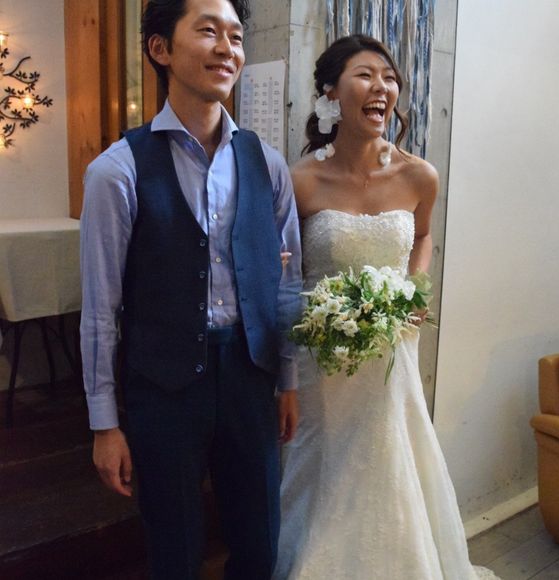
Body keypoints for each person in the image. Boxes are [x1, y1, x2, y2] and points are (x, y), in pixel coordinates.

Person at [79, 0, 302, 578]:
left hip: (250, 374)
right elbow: (100, 308)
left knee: (260, 544)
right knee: (174, 550)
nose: (227, 48)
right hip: (163, 386)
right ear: (160, 49)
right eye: (207, 31)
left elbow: (286, 280)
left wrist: (288, 379)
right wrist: (104, 423)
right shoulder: (117, 170)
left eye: (236, 35)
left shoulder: (268, 163)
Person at [274, 35, 500, 580]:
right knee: (323, 471)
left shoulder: (419, 175)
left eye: (390, 77)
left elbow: (422, 236)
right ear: (330, 92)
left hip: (390, 348)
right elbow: (283, 273)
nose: (382, 87)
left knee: (388, 462)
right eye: (365, 75)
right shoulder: (299, 180)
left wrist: (413, 289)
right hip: (321, 358)